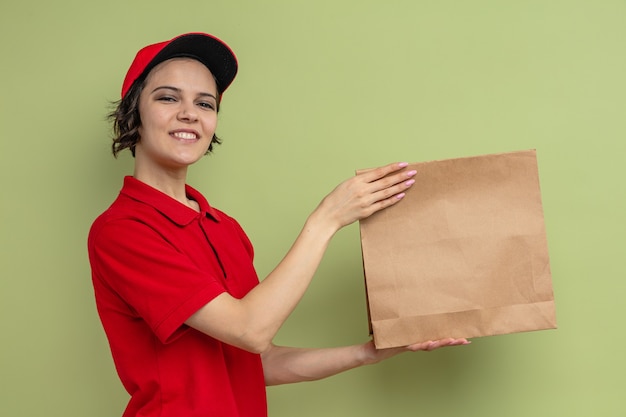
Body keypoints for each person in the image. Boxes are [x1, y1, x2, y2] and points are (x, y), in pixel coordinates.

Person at [88, 32, 469, 417]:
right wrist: (327, 218)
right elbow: (249, 331)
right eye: (168, 97)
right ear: (133, 112)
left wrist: (368, 353)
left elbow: (258, 360)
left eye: (205, 103)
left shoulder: (224, 228)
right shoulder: (122, 230)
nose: (190, 113)